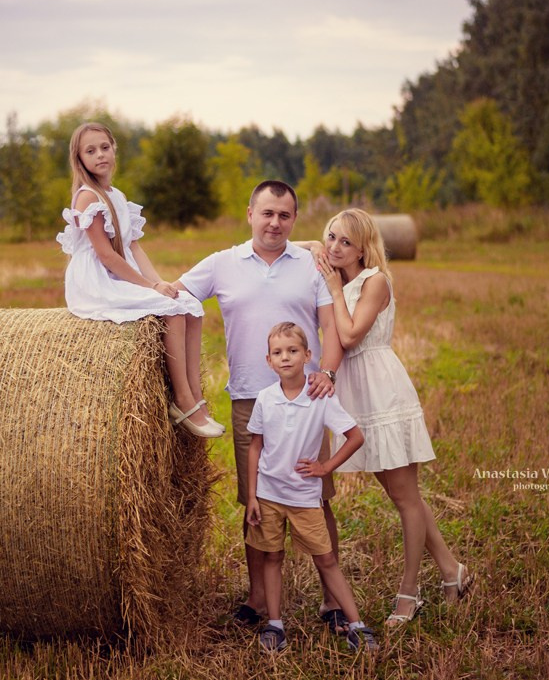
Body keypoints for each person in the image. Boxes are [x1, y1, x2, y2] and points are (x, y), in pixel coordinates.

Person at [176, 180, 349, 632]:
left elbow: (331, 328)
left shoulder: (311, 265)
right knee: (256, 500)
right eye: (267, 213)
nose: (275, 222)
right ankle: (257, 599)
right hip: (250, 398)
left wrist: (326, 375)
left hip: (307, 397)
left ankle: (333, 601)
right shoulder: (221, 264)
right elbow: (174, 295)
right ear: (250, 213)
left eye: (285, 215)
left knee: (318, 495)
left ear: (294, 219)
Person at [309, 208, 473, 626]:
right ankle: (453, 572)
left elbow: (348, 336)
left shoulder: (374, 281)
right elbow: (295, 248)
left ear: (364, 247)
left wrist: (330, 283)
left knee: (404, 499)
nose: (335, 247)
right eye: (331, 238)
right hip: (355, 395)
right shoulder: (338, 274)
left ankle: (409, 592)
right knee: (405, 496)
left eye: (346, 241)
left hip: (381, 392)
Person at [57, 122, 222, 437]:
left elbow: (133, 246)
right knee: (171, 312)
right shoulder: (87, 198)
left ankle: (196, 399)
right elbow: (106, 256)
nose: (100, 155)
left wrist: (161, 282)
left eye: (104, 147)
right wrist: (151, 288)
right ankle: (181, 401)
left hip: (120, 271)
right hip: (96, 279)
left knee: (187, 304)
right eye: (90, 151)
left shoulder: (116, 195)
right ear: (79, 159)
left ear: (114, 148)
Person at [246, 322, 376, 653]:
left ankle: (357, 626)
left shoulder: (319, 397)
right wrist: (251, 497)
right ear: (268, 360)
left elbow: (355, 436)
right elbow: (255, 448)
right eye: (278, 352)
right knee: (272, 557)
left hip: (304, 497)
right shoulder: (265, 399)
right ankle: (275, 626)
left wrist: (325, 468)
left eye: (292, 351)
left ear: (308, 356)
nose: (285, 358)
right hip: (268, 495)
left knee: (326, 559)